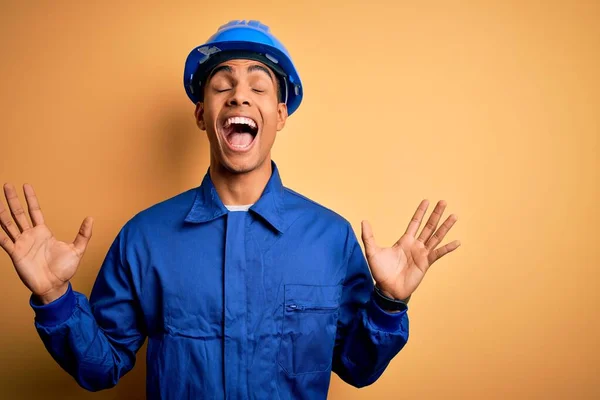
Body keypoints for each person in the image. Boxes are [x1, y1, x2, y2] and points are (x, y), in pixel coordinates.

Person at [0, 20, 461, 399]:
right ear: (201, 113)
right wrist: (54, 299)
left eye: (259, 87)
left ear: (280, 115)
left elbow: (357, 369)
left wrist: (389, 302)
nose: (240, 95)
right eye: (223, 86)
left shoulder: (331, 239)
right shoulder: (144, 238)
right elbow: (101, 368)